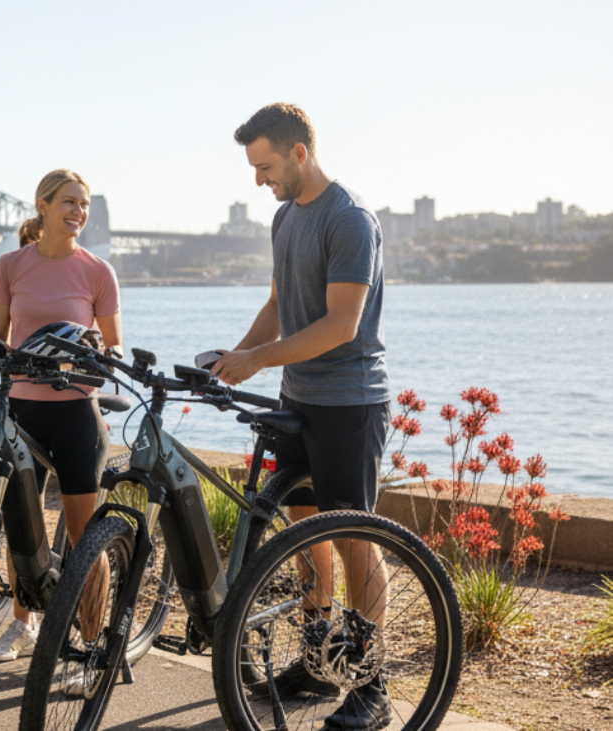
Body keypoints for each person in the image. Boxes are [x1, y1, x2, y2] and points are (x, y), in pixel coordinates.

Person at [214, 103, 392, 730]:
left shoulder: (349, 220)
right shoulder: (286, 218)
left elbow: (341, 326)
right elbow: (278, 304)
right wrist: (240, 355)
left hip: (350, 403)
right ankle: (320, 662)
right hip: (299, 398)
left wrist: (258, 360)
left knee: (352, 541)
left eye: (264, 166)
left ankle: (372, 687)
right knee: (304, 533)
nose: (258, 180)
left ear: (298, 153)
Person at [0, 169, 123, 663]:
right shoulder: (11, 264)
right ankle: (23, 626)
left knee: (85, 535)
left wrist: (99, 352)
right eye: (68, 202)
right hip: (21, 410)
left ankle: (89, 642)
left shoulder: (98, 272)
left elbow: (114, 345)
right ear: (42, 206)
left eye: (83, 205)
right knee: (22, 527)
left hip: (75, 415)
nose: (78, 212)